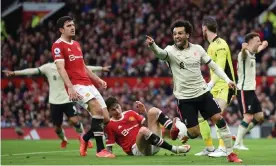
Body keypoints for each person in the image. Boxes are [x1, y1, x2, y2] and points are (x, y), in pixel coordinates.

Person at [146, 20, 242, 163]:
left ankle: (230, 154)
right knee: (193, 133)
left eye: (180, 33)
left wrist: (227, 80)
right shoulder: (170, 51)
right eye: (174, 34)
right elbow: (160, 54)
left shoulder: (198, 49)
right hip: (184, 98)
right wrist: (153, 46)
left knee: (219, 119)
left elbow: (214, 66)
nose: (177, 36)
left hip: (202, 93)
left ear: (188, 35)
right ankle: (178, 125)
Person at [3, 63, 110, 149]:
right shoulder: (48, 67)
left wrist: (100, 68)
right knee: (57, 127)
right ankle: (64, 139)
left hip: (68, 98)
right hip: (54, 102)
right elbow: (33, 70)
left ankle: (82, 137)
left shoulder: (69, 66)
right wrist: (15, 73)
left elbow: (85, 67)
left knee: (75, 121)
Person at [51, 16, 114, 158]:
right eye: (68, 26)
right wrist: (70, 87)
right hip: (76, 85)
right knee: (96, 109)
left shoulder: (76, 44)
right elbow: (61, 68)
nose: (72, 27)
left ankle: (85, 139)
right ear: (61, 29)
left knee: (105, 119)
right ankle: (100, 150)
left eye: (73, 24)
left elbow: (83, 66)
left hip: (88, 84)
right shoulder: (57, 46)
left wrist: (98, 79)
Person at [195, 16, 236, 157]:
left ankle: (224, 148)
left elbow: (220, 66)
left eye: (202, 28)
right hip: (215, 87)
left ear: (204, 28)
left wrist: (211, 84)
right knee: (200, 116)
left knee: (216, 115)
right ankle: (209, 147)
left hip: (225, 86)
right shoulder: (211, 45)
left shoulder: (220, 44)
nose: (202, 30)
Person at [104, 97, 191, 156]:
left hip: (153, 144)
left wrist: (144, 112)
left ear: (119, 105)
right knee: (142, 130)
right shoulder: (110, 125)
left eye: (117, 107)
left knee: (153, 111)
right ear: (108, 111)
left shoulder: (130, 113)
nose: (117, 111)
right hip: (138, 150)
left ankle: (179, 133)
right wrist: (107, 154)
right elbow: (109, 147)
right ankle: (175, 149)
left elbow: (147, 124)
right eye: (113, 110)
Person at [234, 32, 268, 150]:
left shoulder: (252, 53)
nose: (259, 42)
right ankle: (238, 143)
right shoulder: (244, 53)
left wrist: (264, 44)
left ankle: (239, 135)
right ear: (251, 42)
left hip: (251, 90)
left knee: (259, 117)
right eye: (257, 40)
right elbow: (243, 54)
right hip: (244, 90)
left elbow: (260, 47)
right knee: (248, 117)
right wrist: (244, 49)